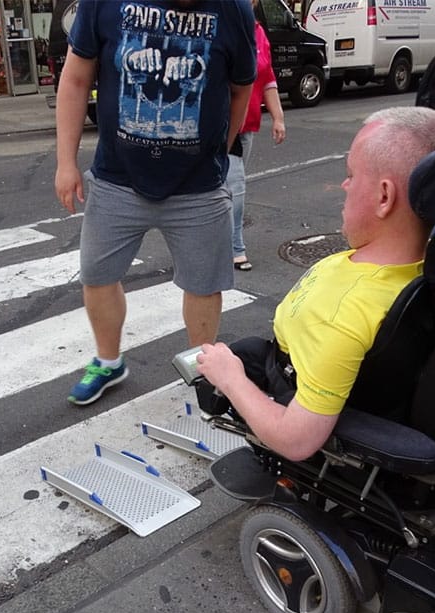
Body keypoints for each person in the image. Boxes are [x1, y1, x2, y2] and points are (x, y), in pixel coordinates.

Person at [195, 107, 435, 461]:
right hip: (297, 358)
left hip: (291, 389)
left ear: (384, 197)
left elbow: (296, 439)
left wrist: (231, 379)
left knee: (225, 366)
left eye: (351, 175)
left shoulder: (340, 315)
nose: (345, 185)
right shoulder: (428, 263)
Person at [55, 0, 257, 406]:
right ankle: (108, 362)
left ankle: (203, 372)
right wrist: (65, 162)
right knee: (97, 274)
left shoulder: (233, 8)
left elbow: (241, 89)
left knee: (204, 285)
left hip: (198, 185)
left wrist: (220, 149)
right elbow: (76, 79)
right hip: (117, 177)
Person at [227, 0, 286, 272]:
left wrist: (278, 117)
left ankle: (210, 239)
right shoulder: (222, 24)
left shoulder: (259, 32)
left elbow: (268, 77)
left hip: (248, 126)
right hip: (223, 125)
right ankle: (235, 248)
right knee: (235, 186)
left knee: (223, 190)